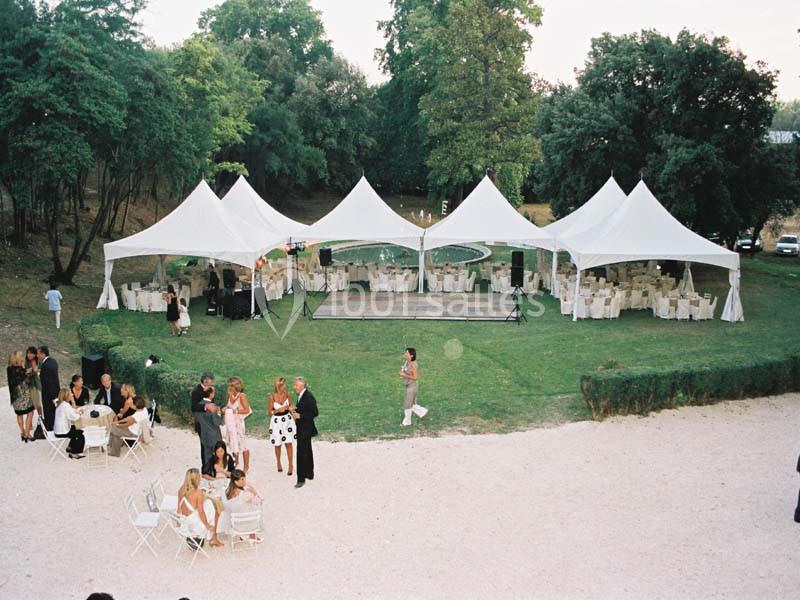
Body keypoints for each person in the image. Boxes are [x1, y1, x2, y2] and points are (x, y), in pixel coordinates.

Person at [177, 468, 223, 548]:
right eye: (199, 477)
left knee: (208, 503)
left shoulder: (181, 489)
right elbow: (201, 513)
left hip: (184, 521)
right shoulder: (198, 493)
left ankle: (213, 538)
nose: (200, 479)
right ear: (195, 479)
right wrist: (207, 525)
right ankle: (213, 538)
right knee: (212, 508)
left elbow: (179, 509)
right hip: (194, 525)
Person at [220, 469, 263, 543]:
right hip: (244, 523)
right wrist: (253, 491)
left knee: (244, 507)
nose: (245, 481)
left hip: (234, 523)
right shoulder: (246, 494)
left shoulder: (227, 492)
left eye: (244, 478)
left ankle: (243, 536)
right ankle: (252, 537)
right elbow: (260, 501)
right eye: (242, 479)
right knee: (255, 508)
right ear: (236, 482)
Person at [291, 377, 318, 488]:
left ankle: (301, 479)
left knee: (301, 453)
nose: (294, 387)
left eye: (296, 385)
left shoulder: (308, 397)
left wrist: (300, 416)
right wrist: (294, 409)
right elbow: (305, 409)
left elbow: (315, 413)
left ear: (302, 386)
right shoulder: (303, 395)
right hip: (304, 428)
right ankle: (309, 473)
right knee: (307, 450)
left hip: (305, 430)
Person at [268, 377, 296, 475]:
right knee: (277, 444)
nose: (285, 386)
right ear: (279, 386)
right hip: (277, 422)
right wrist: (277, 410)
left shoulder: (287, 395)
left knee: (288, 443)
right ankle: (278, 462)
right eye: (283, 385)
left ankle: (290, 465)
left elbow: (292, 406)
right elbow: (270, 412)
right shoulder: (272, 397)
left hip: (287, 421)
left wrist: (290, 408)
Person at [224, 376, 251, 472]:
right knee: (232, 441)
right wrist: (225, 409)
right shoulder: (230, 395)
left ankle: (246, 466)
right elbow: (228, 406)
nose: (229, 388)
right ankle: (236, 461)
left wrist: (235, 411)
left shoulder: (242, 396)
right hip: (230, 422)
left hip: (238, 423)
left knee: (242, 444)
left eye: (230, 386)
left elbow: (247, 410)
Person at [8, 351, 34, 442]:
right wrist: (31, 371)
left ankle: (22, 432)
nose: (23, 357)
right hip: (24, 396)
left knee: (19, 414)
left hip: (15, 397)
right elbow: (26, 380)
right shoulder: (20, 369)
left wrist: (25, 370)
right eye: (21, 356)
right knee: (30, 413)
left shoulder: (9, 369)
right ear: (17, 359)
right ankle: (27, 434)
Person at [53, 387, 85, 458]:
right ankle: (75, 453)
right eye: (70, 393)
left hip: (57, 430)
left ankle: (70, 447)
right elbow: (74, 417)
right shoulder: (65, 405)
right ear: (66, 395)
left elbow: (71, 411)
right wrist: (80, 414)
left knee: (75, 428)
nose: (72, 394)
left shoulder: (61, 403)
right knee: (81, 434)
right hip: (61, 432)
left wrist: (78, 411)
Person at [400, 347, 428, 426]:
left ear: (411, 355)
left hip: (412, 386)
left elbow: (415, 377)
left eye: (406, 353)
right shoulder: (407, 362)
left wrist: (404, 374)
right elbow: (407, 372)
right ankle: (422, 411)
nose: (405, 354)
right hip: (407, 385)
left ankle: (407, 422)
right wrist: (403, 371)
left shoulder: (413, 364)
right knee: (410, 404)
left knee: (408, 405)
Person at [196, 387, 223, 467]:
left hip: (204, 433)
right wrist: (219, 413)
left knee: (207, 454)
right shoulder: (212, 406)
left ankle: (208, 470)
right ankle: (216, 470)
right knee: (218, 453)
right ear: (211, 394)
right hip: (214, 435)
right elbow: (217, 422)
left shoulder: (199, 405)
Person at [37, 346, 59, 430]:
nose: (37, 356)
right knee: (54, 411)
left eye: (38, 354)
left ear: (43, 354)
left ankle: (50, 427)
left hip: (48, 393)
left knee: (48, 410)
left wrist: (53, 396)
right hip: (55, 391)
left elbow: (49, 382)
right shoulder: (53, 361)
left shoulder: (45, 365)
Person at [24, 347, 42, 419]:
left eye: (31, 353)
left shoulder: (39, 362)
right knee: (30, 404)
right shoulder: (25, 362)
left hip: (37, 384)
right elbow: (23, 373)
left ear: (35, 354)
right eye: (28, 353)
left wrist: (35, 371)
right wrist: (31, 371)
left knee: (38, 403)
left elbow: (40, 371)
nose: (29, 355)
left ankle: (40, 418)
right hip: (28, 385)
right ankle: (30, 422)